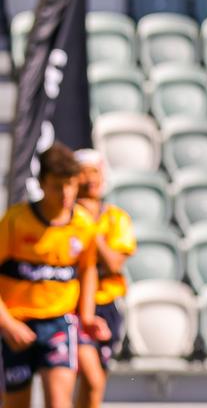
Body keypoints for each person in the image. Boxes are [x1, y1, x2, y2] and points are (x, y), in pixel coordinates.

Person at [0, 143, 110, 408]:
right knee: (17, 404)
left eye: (71, 185)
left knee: (59, 403)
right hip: (17, 325)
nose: (65, 193)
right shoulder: (16, 221)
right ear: (41, 184)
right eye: (57, 186)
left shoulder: (82, 224)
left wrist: (86, 315)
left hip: (59, 324)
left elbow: (88, 268)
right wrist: (6, 324)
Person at [71, 150, 135, 408]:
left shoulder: (115, 218)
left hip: (106, 306)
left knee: (93, 384)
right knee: (89, 378)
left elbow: (113, 264)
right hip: (72, 306)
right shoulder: (65, 219)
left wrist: (91, 229)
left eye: (94, 172)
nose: (89, 180)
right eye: (83, 173)